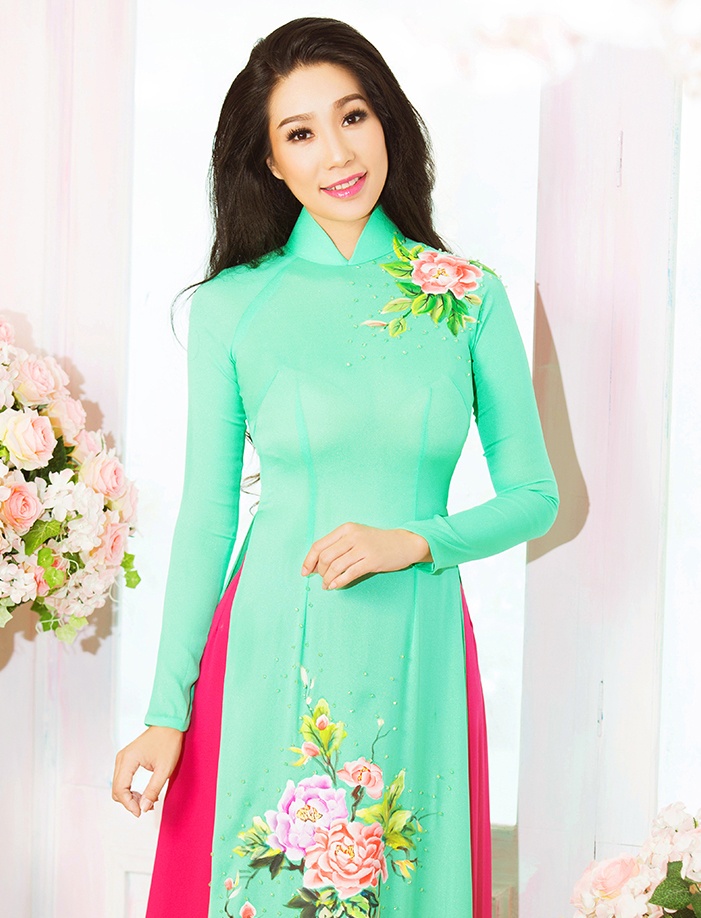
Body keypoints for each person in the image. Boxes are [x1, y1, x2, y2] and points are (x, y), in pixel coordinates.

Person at [112, 16, 559, 918]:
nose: (337, 154)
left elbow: (533, 497)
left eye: (352, 117)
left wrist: (412, 540)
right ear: (270, 163)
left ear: (386, 121)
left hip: (417, 642)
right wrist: (166, 711)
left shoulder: (466, 296)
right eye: (300, 133)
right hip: (271, 641)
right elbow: (208, 518)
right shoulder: (233, 307)